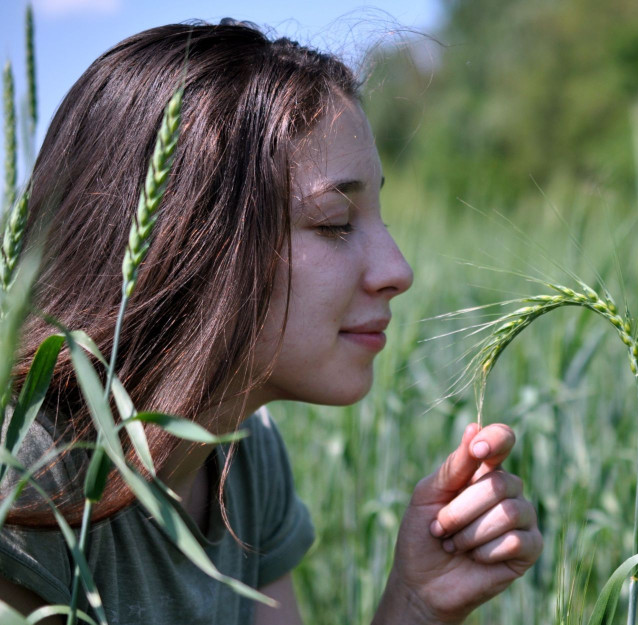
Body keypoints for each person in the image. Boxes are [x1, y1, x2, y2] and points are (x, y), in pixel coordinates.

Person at [0, 21, 542, 624]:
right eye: (335, 221)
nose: (398, 269)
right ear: (191, 244)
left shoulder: (243, 456)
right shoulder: (24, 473)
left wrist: (417, 604)